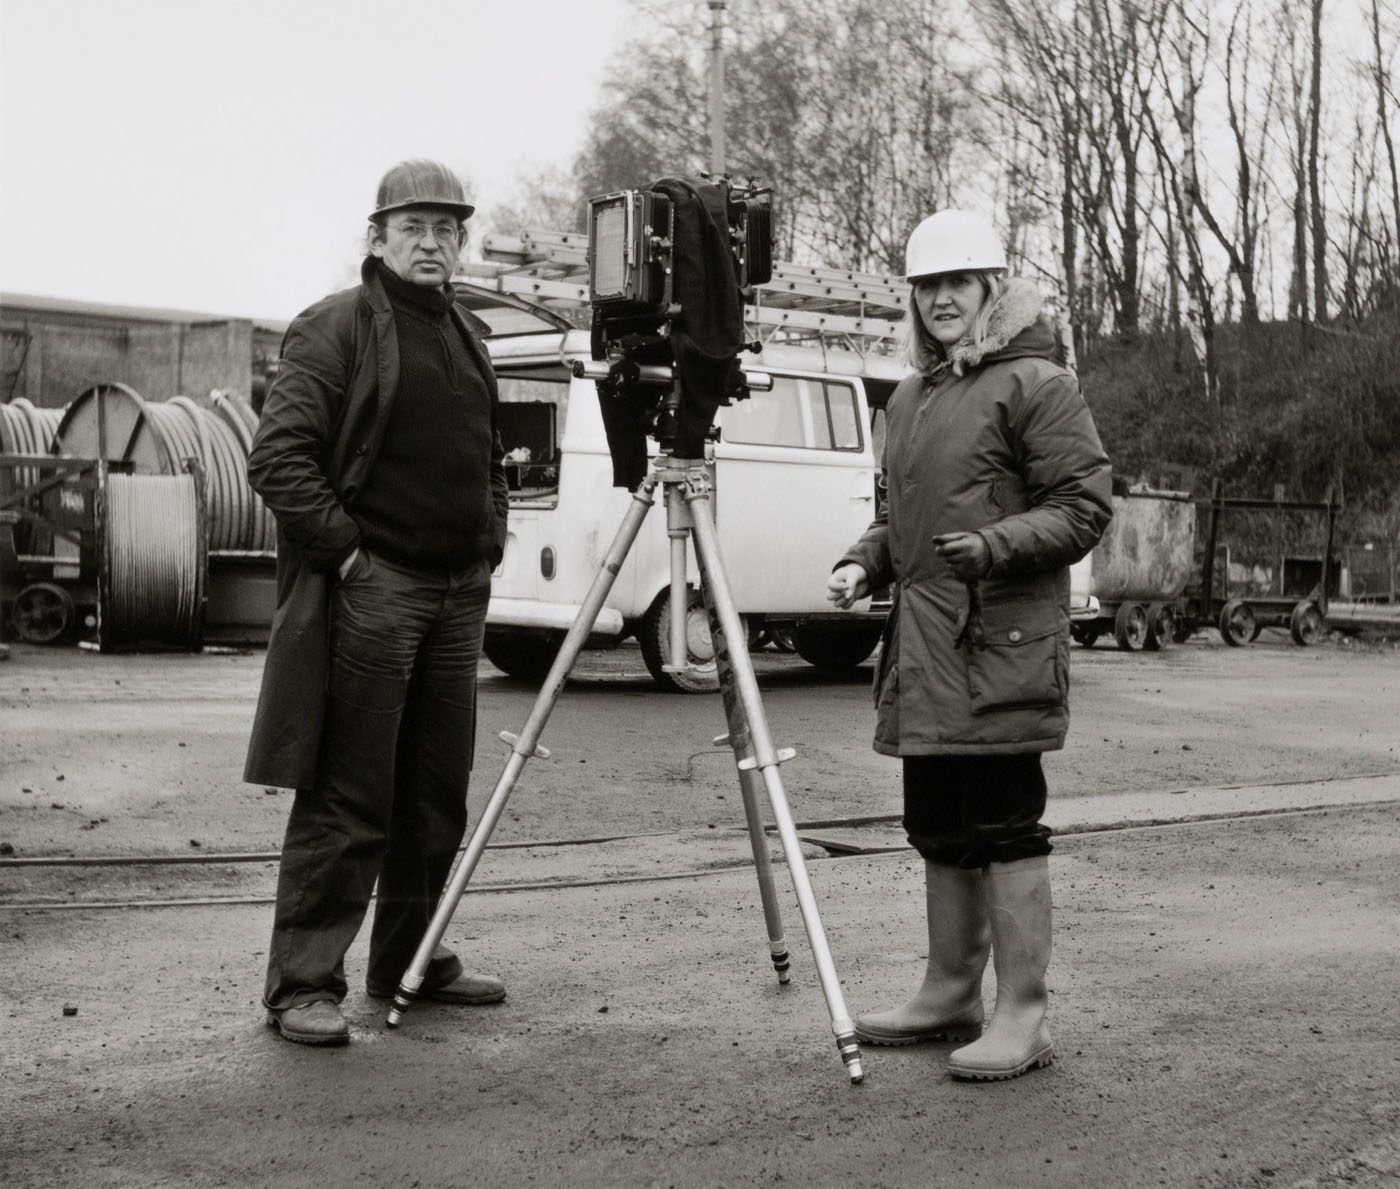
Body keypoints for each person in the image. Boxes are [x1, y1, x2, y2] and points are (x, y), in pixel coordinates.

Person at [827, 209, 1112, 1080]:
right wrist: (862, 558)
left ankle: (1023, 1011)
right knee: (938, 823)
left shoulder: (1038, 383)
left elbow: (1084, 506)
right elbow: (900, 518)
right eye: (927, 286)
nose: (941, 299)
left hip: (999, 646)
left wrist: (994, 546)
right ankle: (949, 989)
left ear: (991, 288)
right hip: (923, 648)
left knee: (1004, 826)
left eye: (957, 283)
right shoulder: (910, 396)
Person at [245, 159, 510, 1046]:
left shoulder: (466, 331)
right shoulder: (335, 326)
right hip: (378, 586)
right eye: (414, 228)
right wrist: (352, 553)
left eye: (446, 229)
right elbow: (278, 457)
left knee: (436, 793)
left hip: (454, 592)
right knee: (350, 792)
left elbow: (487, 457)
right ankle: (304, 983)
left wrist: (488, 539)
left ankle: (411, 955)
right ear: (379, 237)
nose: (432, 243)